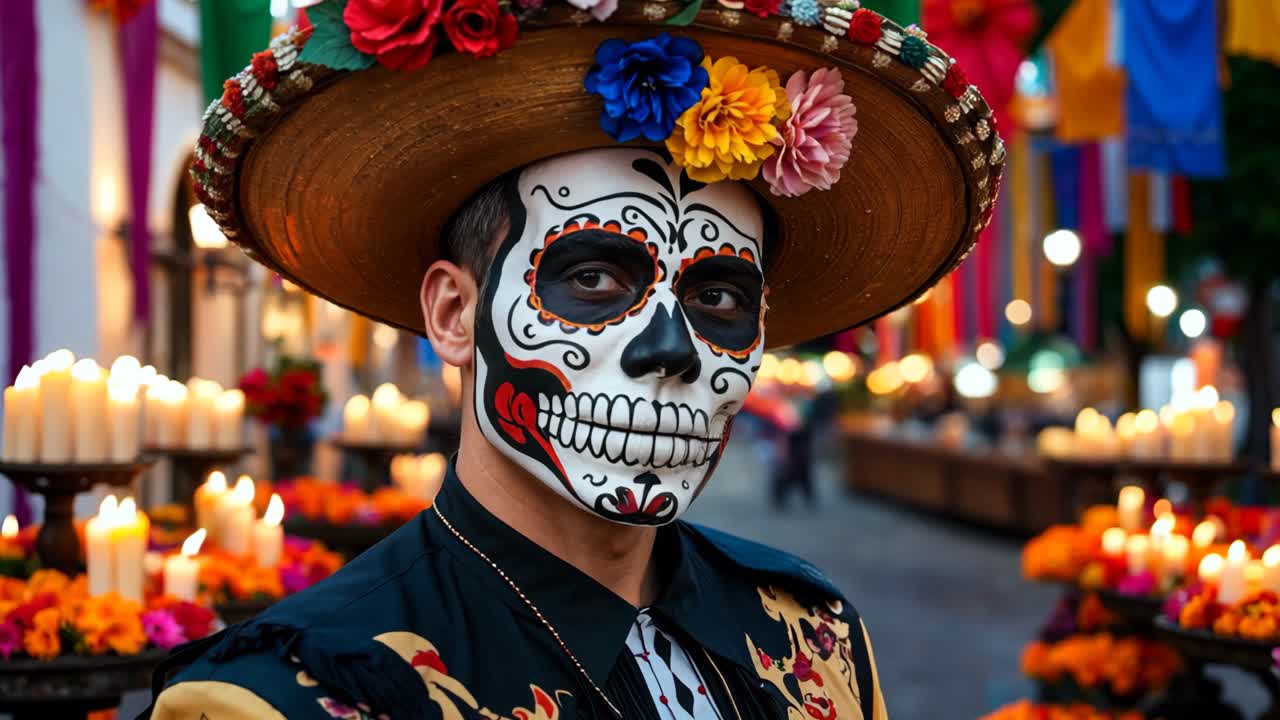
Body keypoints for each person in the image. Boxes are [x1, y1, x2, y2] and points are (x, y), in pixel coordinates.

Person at [145, 2, 1002, 717]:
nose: (671, 350)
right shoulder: (295, 694)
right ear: (453, 314)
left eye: (718, 299)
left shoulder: (812, 638)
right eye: (592, 278)